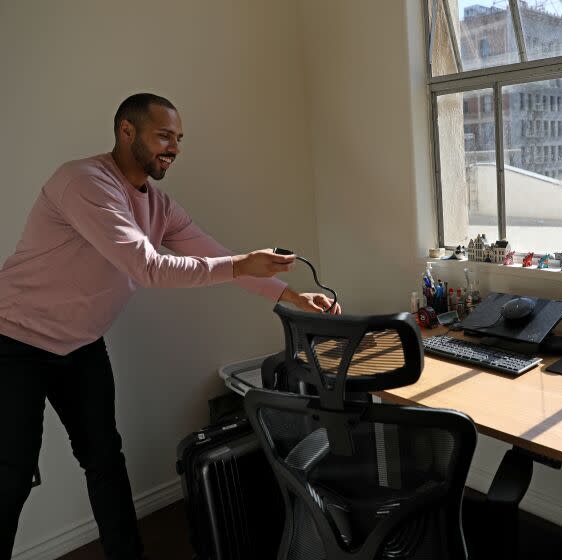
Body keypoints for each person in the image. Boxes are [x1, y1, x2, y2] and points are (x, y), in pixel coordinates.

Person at [0, 93, 339, 560]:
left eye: (178, 139)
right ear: (126, 131)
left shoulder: (159, 205)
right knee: (12, 471)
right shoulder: (83, 182)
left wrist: (293, 296)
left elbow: (213, 256)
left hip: (80, 345)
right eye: (163, 135)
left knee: (104, 461)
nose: (174, 147)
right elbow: (149, 268)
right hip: (13, 340)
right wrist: (241, 265)